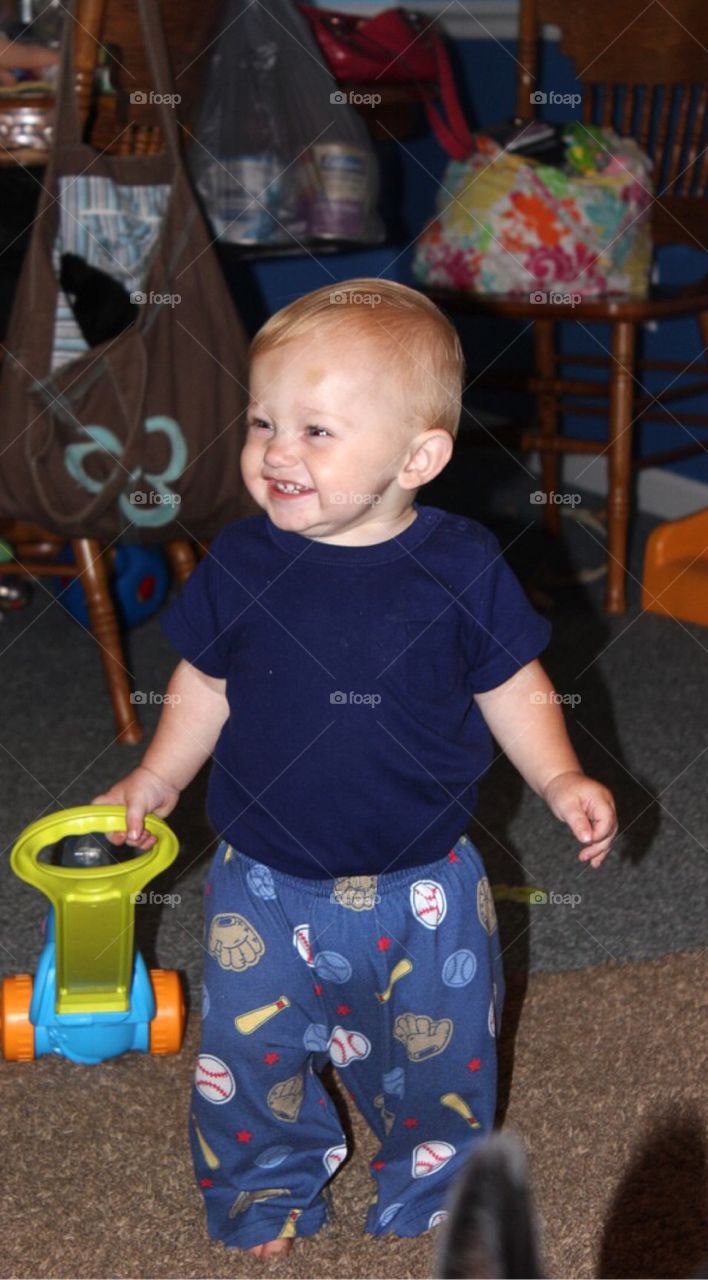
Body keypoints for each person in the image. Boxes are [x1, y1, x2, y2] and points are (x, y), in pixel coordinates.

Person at [93, 278, 617, 1256]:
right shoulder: (244, 561)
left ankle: (434, 1171)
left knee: (441, 1057)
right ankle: (265, 1178)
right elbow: (206, 680)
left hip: (421, 882)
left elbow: (514, 683)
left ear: (419, 455)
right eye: (262, 421)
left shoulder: (459, 567)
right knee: (247, 1054)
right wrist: (157, 778)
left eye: (316, 430)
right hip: (261, 879)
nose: (275, 452)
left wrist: (560, 778)